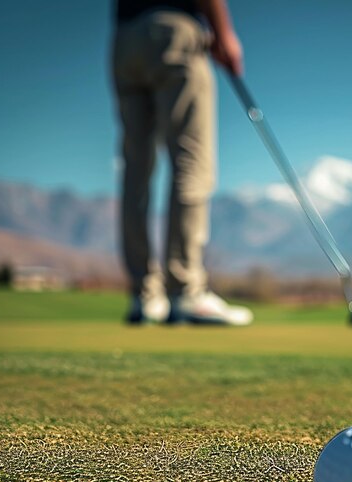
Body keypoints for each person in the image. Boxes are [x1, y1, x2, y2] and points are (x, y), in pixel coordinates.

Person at [112, 0, 253, 325]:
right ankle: (185, 292)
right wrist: (224, 33)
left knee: (135, 168)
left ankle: (144, 296)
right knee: (191, 162)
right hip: (174, 28)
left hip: (124, 37)